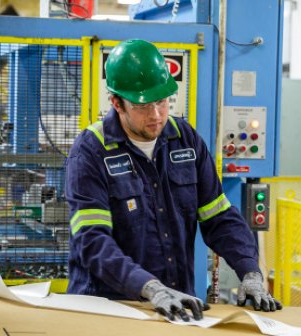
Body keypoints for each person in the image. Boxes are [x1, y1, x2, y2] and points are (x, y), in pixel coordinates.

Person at [65, 39, 282, 321]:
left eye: (162, 101)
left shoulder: (185, 141)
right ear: (117, 102)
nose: (156, 115)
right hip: (111, 309)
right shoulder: (91, 152)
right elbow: (92, 241)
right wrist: (150, 288)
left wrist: (249, 270)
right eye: (143, 106)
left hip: (178, 307)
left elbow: (219, 217)